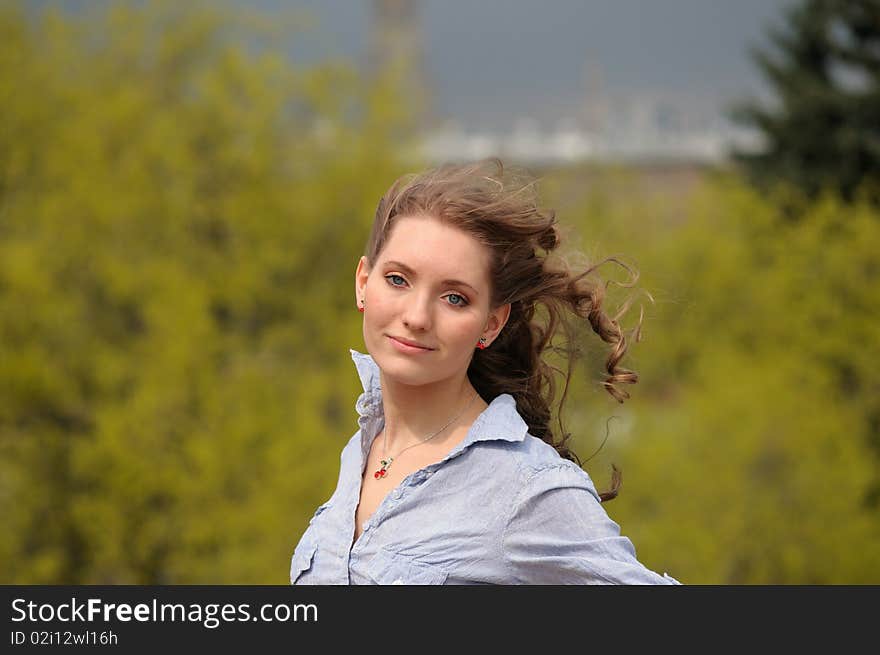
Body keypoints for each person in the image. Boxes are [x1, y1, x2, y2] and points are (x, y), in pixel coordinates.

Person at [290, 158, 681, 585]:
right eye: (398, 280)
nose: (417, 316)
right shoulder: (364, 447)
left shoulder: (525, 487)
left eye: (455, 298)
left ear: (491, 323)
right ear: (363, 282)